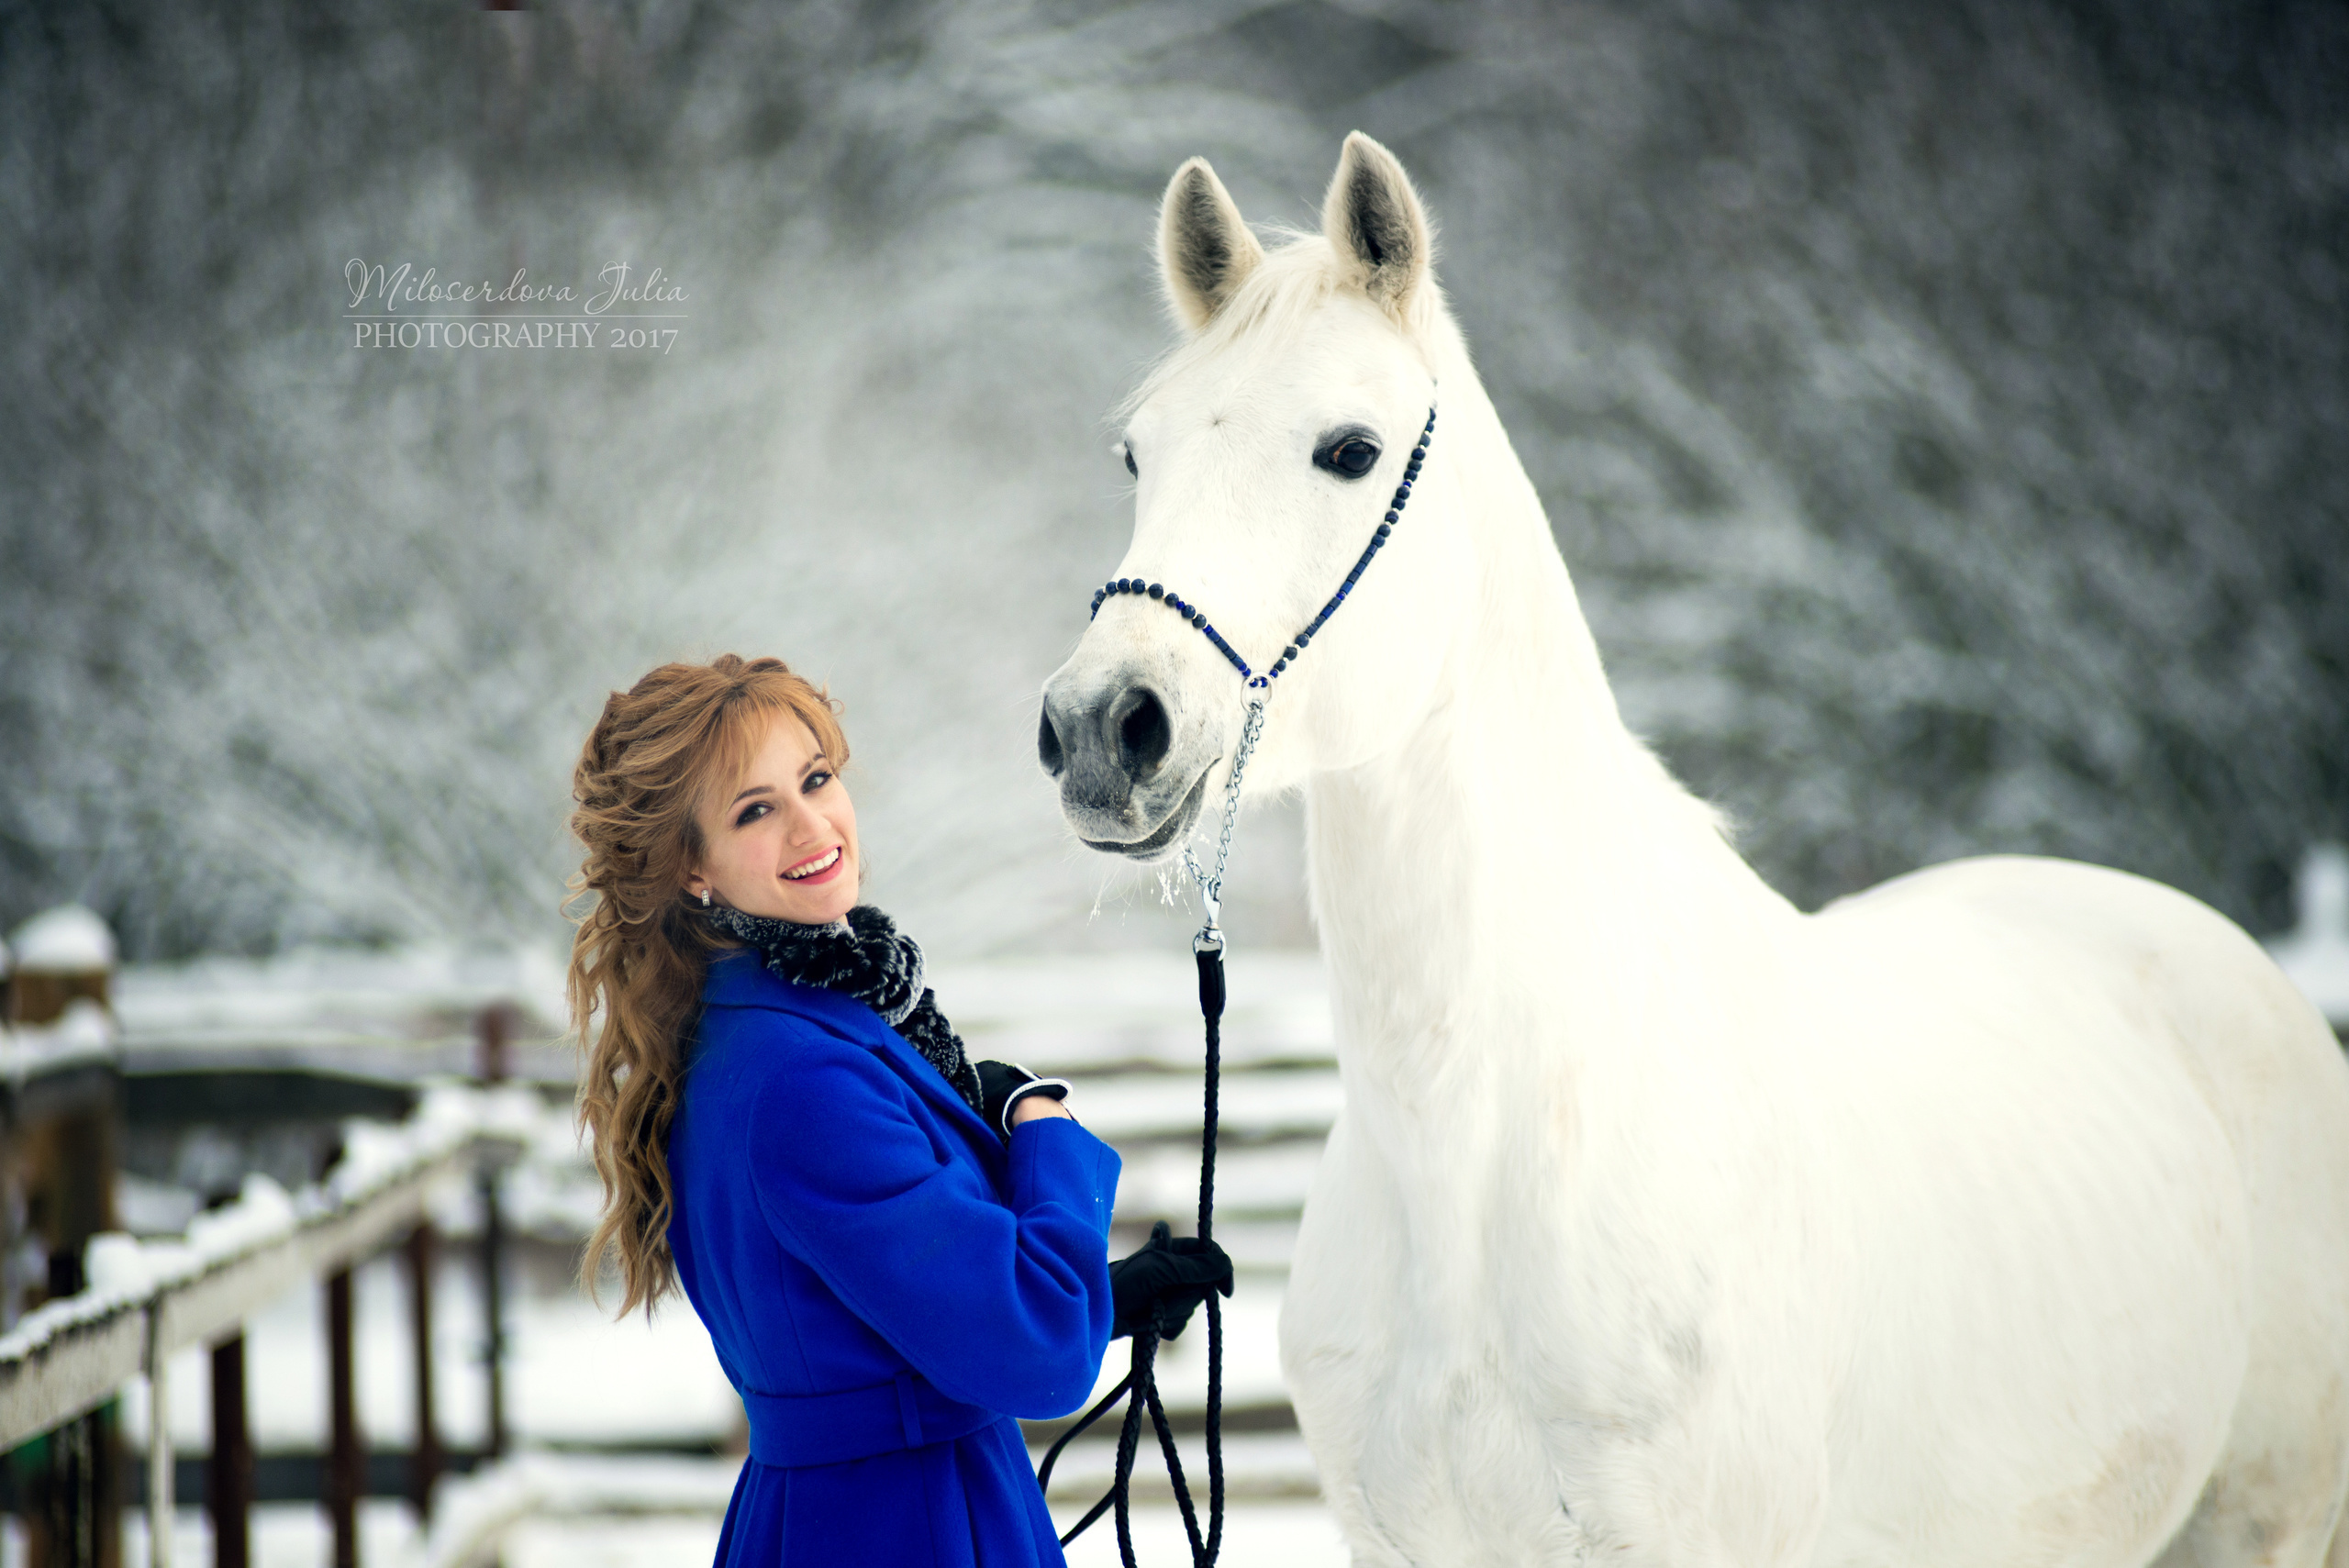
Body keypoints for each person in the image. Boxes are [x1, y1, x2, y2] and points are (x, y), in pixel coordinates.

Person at [566, 654, 1232, 1566]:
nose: (811, 825)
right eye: (753, 809)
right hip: (905, 1521)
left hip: (861, 1506)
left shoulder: (773, 1020)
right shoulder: (802, 1077)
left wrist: (1100, 1299)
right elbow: (1036, 1354)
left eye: (815, 778)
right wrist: (1040, 1123)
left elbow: (867, 1314)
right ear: (692, 868)